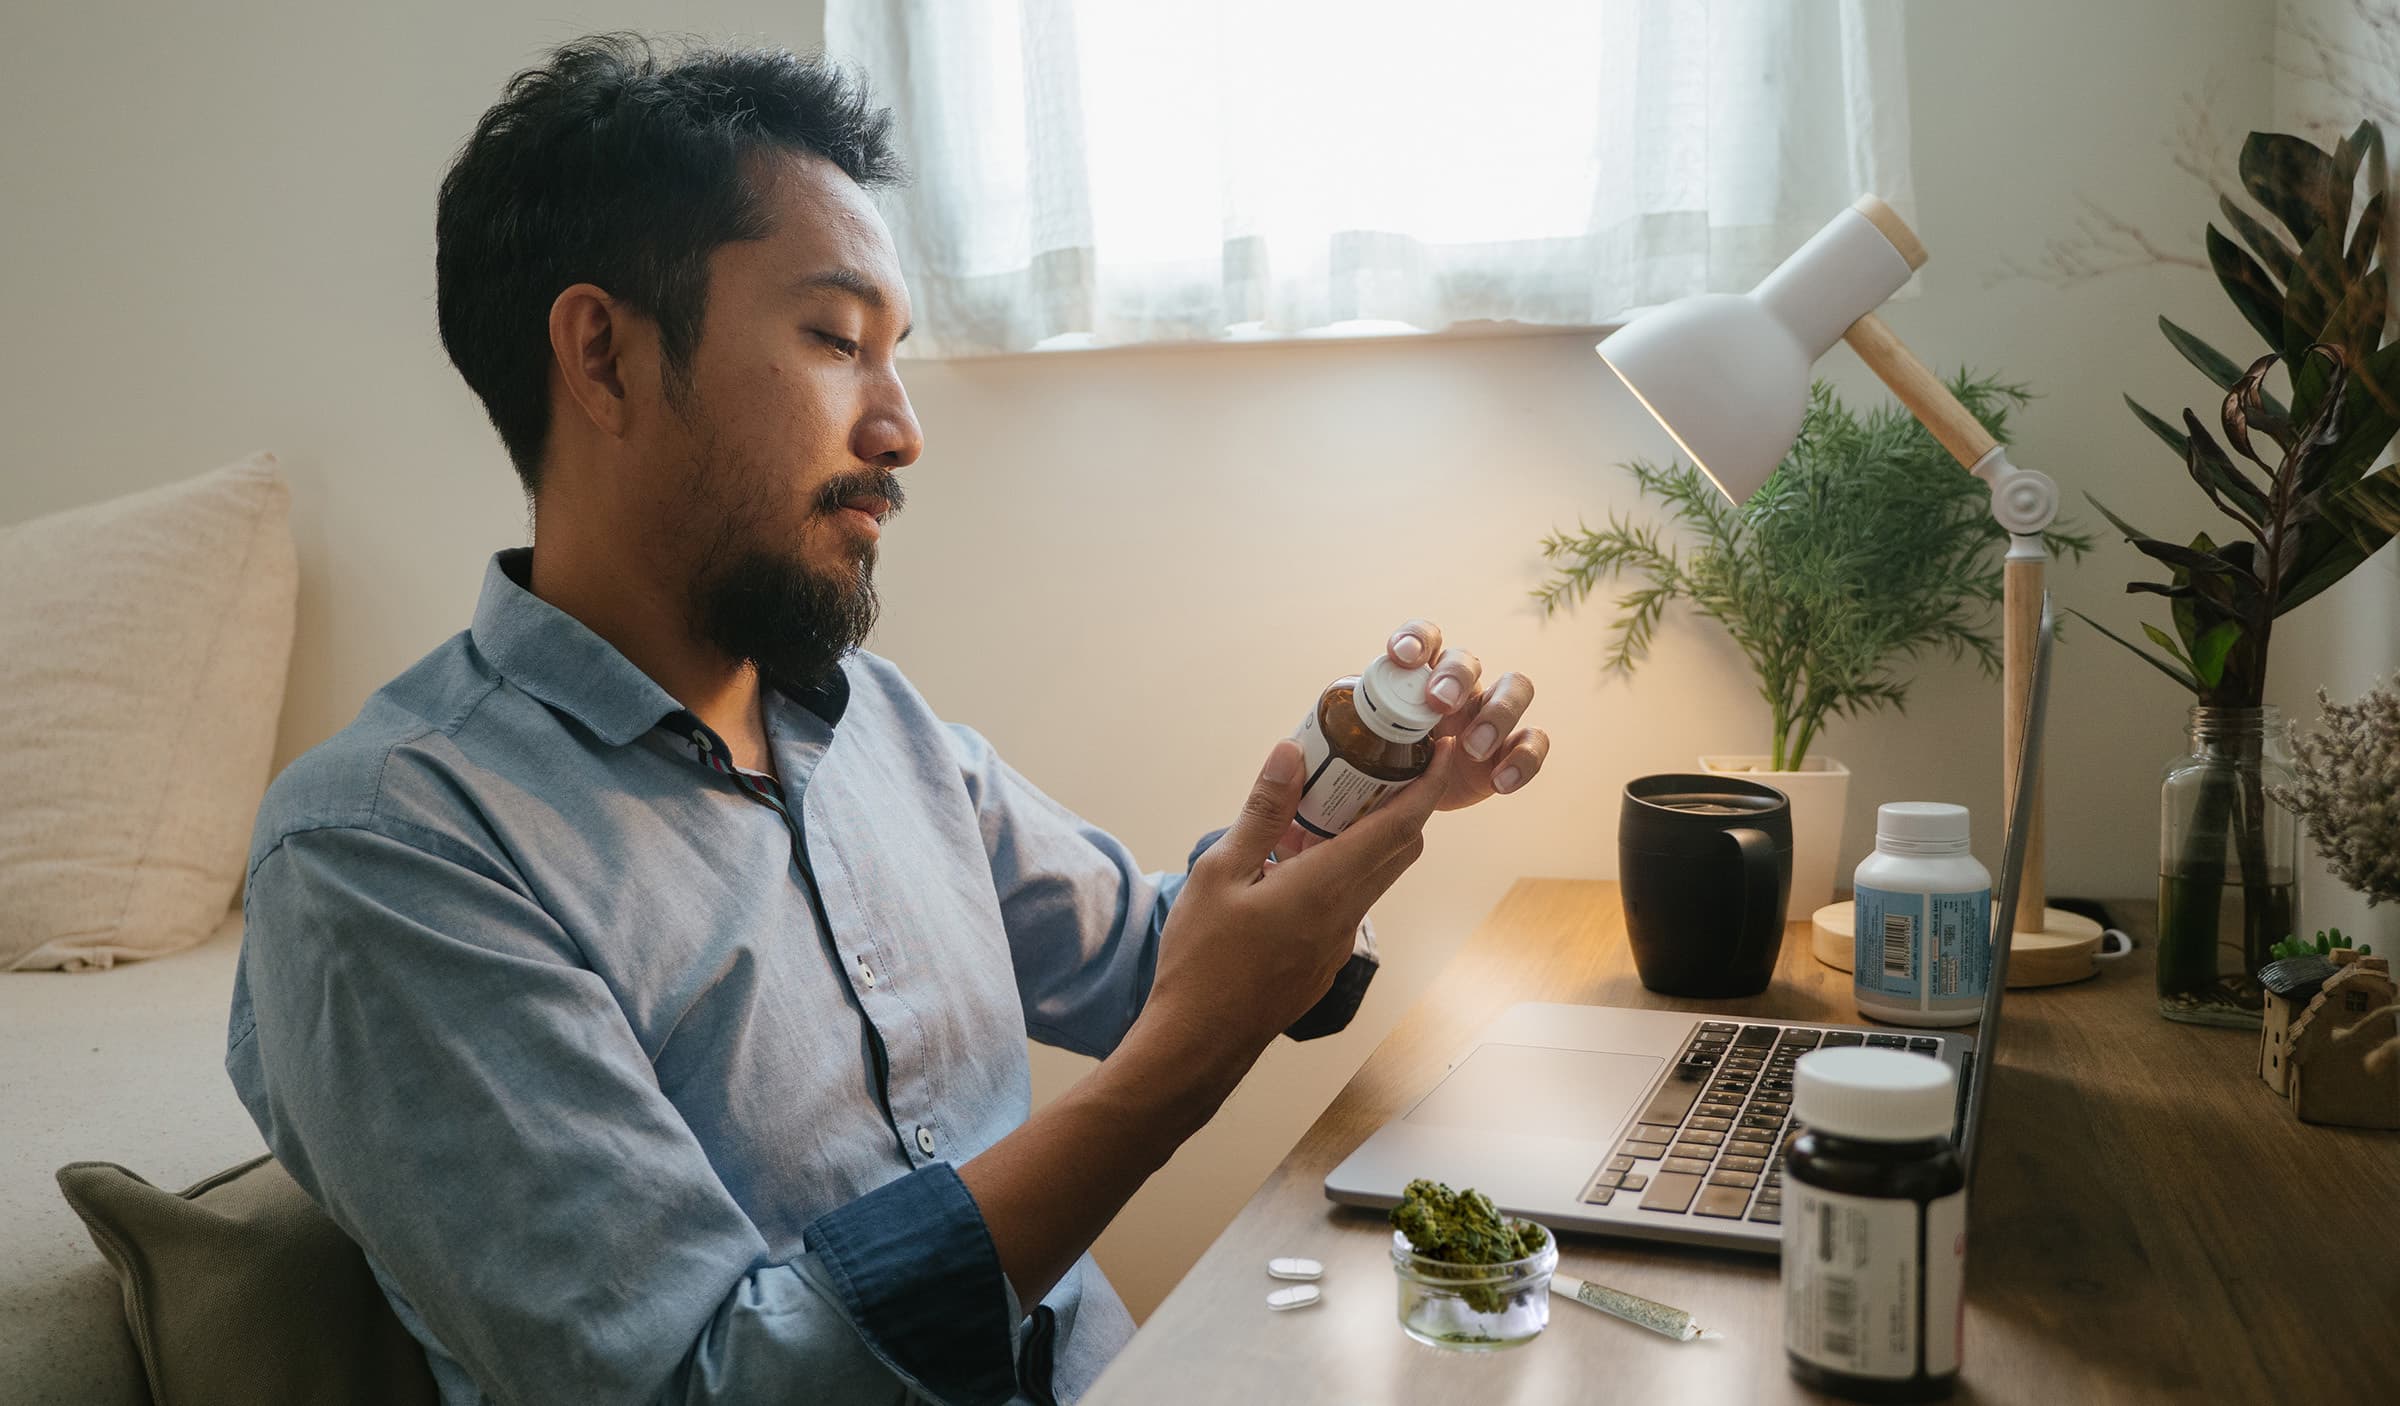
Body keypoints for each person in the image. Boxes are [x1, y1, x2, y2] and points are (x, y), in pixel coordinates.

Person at [226, 34, 1550, 1406]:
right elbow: (722, 1384)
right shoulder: (388, 849)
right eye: (833, 339)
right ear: (605, 356)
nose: (903, 427)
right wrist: (1177, 1069)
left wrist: (1365, 778)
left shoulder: (877, 729)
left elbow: (1169, 956)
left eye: (896, 354)